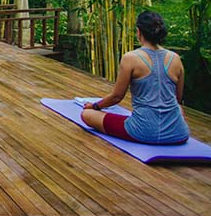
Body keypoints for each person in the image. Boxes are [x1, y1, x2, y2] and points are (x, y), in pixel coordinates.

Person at [80, 10, 189, 145]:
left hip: (143, 131)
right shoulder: (176, 58)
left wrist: (94, 106)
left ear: (139, 32)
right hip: (178, 133)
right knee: (178, 108)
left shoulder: (131, 58)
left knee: (87, 115)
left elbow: (117, 97)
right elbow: (177, 98)